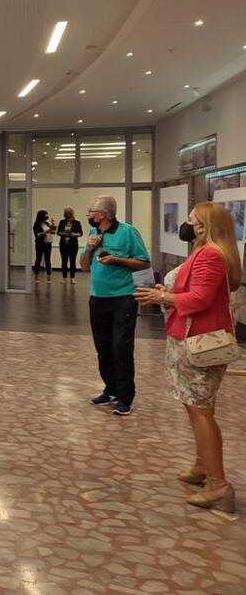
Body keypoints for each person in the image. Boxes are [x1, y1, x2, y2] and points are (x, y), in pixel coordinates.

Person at [134, 202, 241, 513]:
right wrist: (165, 291)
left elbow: (199, 299)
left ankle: (217, 483)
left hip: (198, 343)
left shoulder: (209, 254)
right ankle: (202, 466)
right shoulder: (208, 251)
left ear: (203, 226)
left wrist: (162, 297)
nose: (185, 224)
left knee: (201, 412)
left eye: (190, 220)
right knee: (197, 410)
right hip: (192, 339)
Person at [81, 196, 150, 416]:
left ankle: (125, 396)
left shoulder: (128, 232)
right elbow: (83, 267)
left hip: (123, 298)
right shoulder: (93, 234)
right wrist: (90, 250)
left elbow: (144, 262)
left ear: (103, 214)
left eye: (91, 211)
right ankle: (110, 389)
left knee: (121, 347)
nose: (88, 215)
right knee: (103, 348)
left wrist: (116, 260)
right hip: (97, 299)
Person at [57, 208, 83, 284]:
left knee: (72, 261)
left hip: (73, 244)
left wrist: (73, 234)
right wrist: (64, 233)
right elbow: (58, 232)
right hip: (63, 244)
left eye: (69, 213)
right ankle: (64, 278)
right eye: (66, 213)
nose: (67, 215)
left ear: (72, 213)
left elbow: (80, 233)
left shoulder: (77, 223)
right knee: (64, 261)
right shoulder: (62, 222)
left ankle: (72, 278)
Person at [32, 210, 55, 284]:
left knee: (48, 260)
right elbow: (37, 235)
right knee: (38, 259)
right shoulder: (36, 224)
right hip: (40, 243)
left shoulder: (46, 223)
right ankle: (36, 277)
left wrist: (53, 225)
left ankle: (49, 277)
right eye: (45, 215)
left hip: (48, 243)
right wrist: (46, 232)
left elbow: (53, 232)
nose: (46, 216)